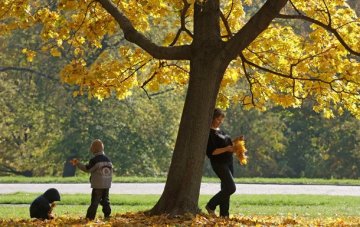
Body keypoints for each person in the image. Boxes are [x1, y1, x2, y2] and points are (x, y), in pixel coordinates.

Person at [205, 108, 236, 218]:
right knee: (231, 188)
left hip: (229, 162)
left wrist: (237, 142)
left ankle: (224, 215)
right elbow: (212, 152)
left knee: (226, 189)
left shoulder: (220, 131)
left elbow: (228, 145)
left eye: (221, 119)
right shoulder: (209, 134)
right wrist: (226, 149)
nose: (220, 121)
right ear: (212, 118)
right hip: (219, 163)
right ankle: (211, 205)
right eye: (218, 119)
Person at [71, 139, 113, 220]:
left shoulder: (94, 160)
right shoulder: (108, 160)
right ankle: (107, 215)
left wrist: (77, 164)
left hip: (98, 185)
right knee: (105, 201)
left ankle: (89, 217)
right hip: (107, 184)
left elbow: (87, 169)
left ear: (93, 149)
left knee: (95, 202)